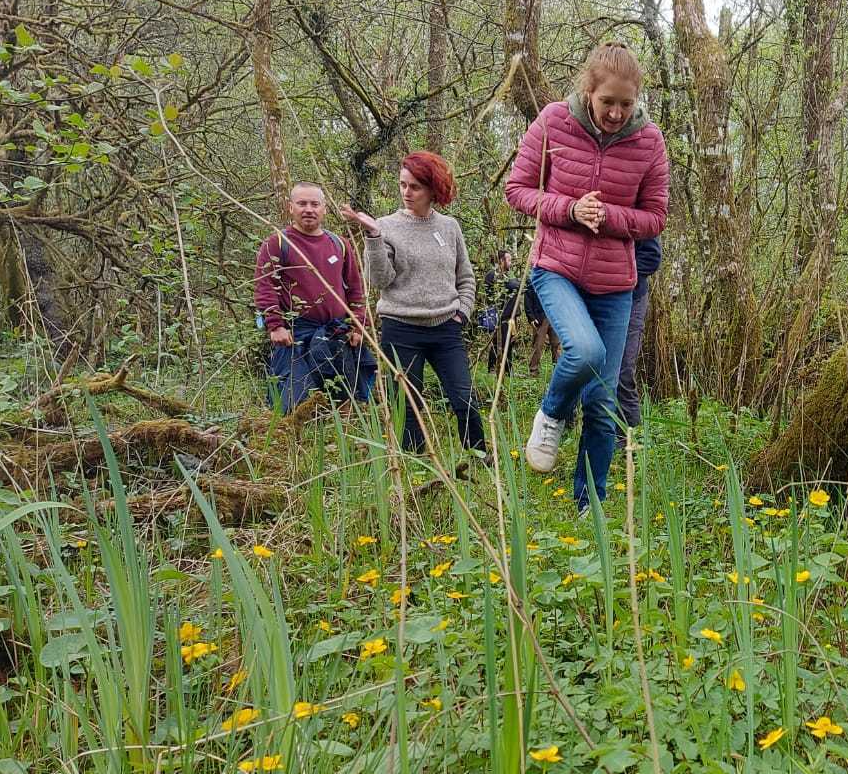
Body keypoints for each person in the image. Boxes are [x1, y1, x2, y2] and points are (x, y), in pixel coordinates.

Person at [506, 42, 669, 511]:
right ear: (588, 92)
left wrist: (610, 217)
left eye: (626, 103)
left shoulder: (649, 141)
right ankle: (551, 413)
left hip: (616, 282)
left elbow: (655, 217)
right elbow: (516, 191)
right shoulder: (554, 122)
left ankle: (589, 508)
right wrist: (571, 210)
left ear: (637, 99)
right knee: (586, 351)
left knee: (603, 400)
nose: (616, 113)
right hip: (556, 267)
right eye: (607, 102)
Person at [339, 151, 486, 456]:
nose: (407, 192)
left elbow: (466, 276)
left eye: (415, 186)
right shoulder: (385, 226)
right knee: (408, 404)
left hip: (446, 328)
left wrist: (462, 312)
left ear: (433, 189)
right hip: (401, 329)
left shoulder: (449, 227)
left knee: (464, 398)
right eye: (403, 185)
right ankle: (416, 466)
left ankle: (479, 458)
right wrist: (374, 236)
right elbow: (379, 280)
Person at [254, 182, 374, 412]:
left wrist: (358, 325)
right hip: (295, 337)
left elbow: (356, 289)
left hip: (337, 335)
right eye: (302, 203)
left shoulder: (340, 245)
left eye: (314, 204)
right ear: (291, 208)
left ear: (324, 209)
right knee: (294, 405)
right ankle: (293, 445)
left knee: (346, 402)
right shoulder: (277, 243)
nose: (308, 209)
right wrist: (275, 325)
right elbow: (264, 286)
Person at [616, 236, 661, 439]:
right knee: (592, 364)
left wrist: (617, 274)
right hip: (597, 298)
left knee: (623, 370)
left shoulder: (640, 214)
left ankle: (627, 438)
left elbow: (652, 258)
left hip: (632, 298)